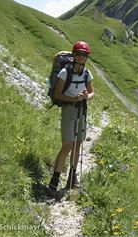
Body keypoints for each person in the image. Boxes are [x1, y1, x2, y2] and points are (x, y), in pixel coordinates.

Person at [49, 41, 94, 193]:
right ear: (74, 55)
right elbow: (58, 94)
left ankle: (72, 178)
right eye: (79, 54)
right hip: (69, 111)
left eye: (84, 55)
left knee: (78, 144)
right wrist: (75, 99)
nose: (81, 57)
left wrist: (87, 96)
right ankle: (54, 181)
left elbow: (92, 92)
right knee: (68, 145)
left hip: (82, 110)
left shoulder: (87, 73)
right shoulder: (65, 72)